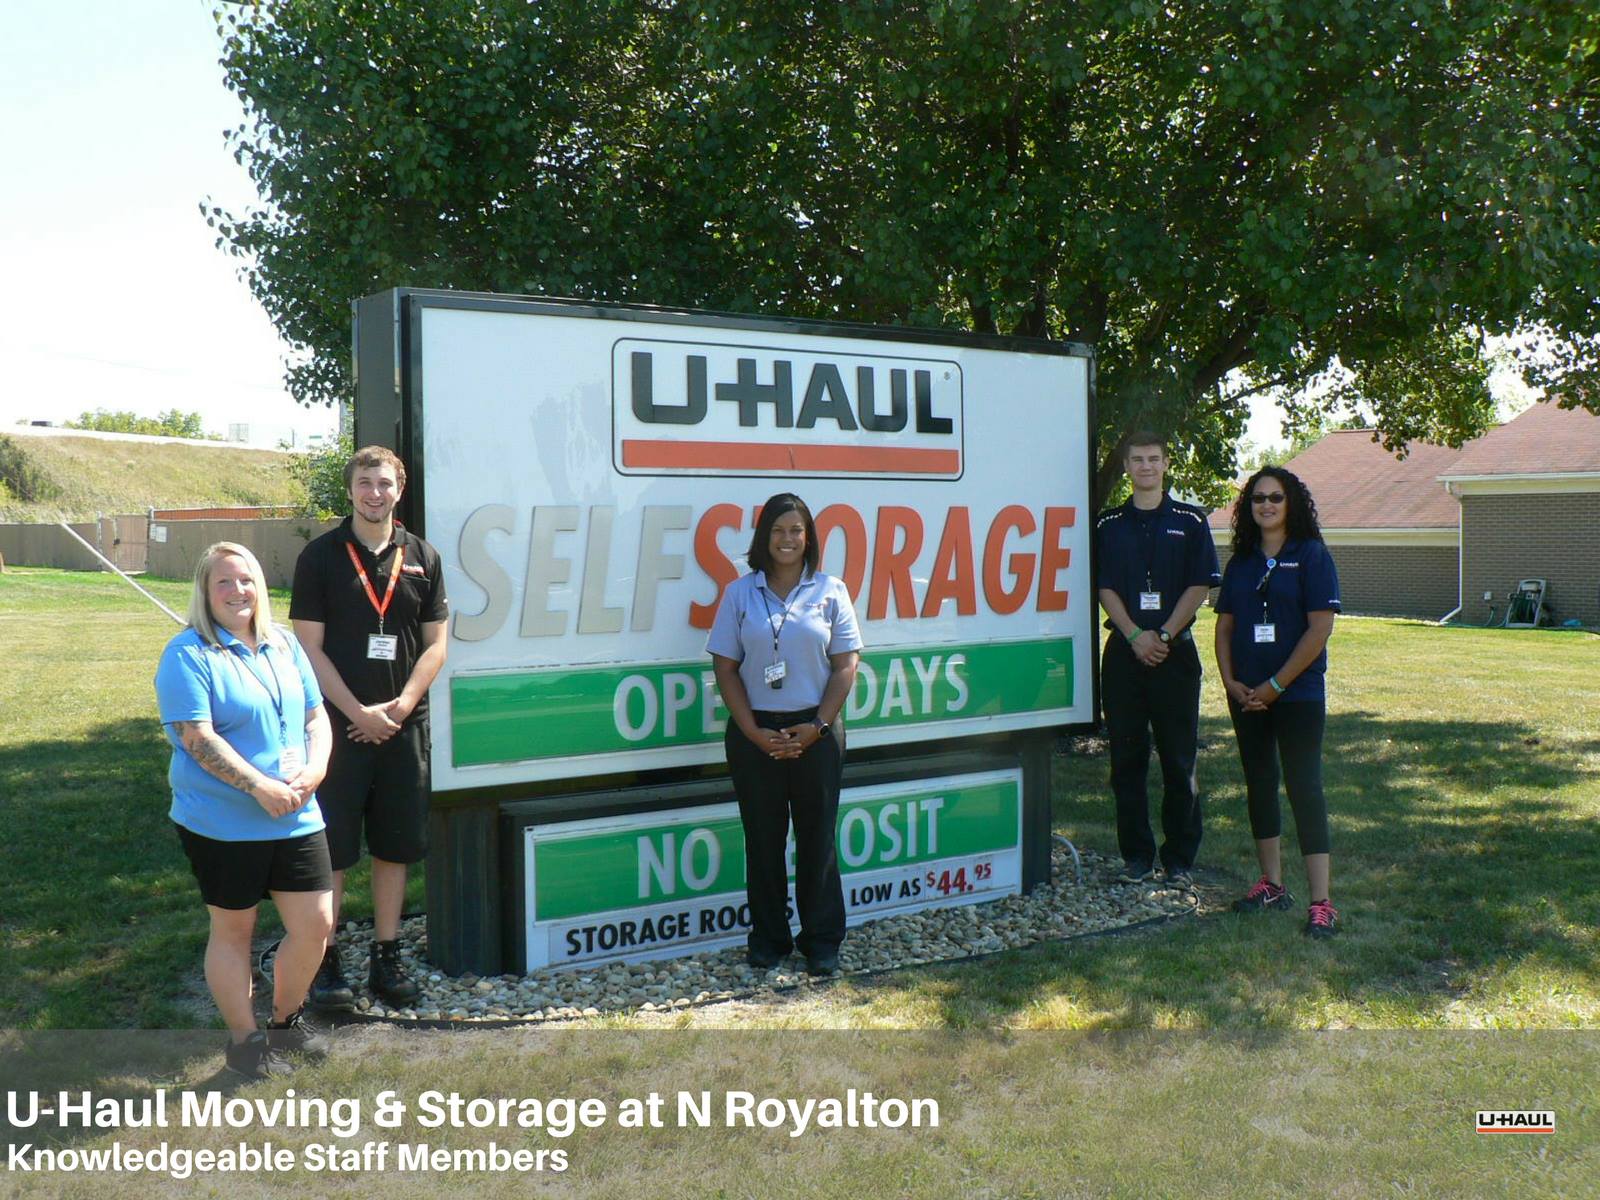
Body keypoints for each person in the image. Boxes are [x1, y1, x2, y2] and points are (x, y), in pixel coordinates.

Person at [154, 542, 334, 1080]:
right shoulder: (188, 654)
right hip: (223, 822)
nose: (238, 591)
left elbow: (315, 716)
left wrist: (316, 769)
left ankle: (285, 1021)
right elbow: (196, 738)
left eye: (246, 579)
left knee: (316, 924)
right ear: (205, 592)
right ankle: (245, 1043)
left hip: (297, 812)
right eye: (224, 583)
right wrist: (258, 786)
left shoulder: (284, 644)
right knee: (234, 930)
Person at [290, 446, 448, 1009]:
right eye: (364, 483)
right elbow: (308, 647)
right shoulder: (320, 557)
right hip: (337, 726)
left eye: (384, 483)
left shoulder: (423, 556)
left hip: (403, 725)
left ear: (399, 490)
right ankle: (325, 960)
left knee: (394, 845)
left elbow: (436, 645)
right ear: (351, 489)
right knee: (332, 848)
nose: (374, 493)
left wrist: (400, 707)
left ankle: (387, 954)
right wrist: (358, 713)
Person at [707, 493, 862, 976]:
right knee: (763, 840)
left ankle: (822, 942)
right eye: (778, 530)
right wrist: (753, 732)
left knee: (818, 838)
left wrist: (817, 727)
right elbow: (725, 667)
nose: (787, 539)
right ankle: (769, 940)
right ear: (764, 537)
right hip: (756, 733)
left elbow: (845, 666)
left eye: (796, 530)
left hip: (816, 729)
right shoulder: (740, 594)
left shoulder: (831, 590)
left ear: (809, 538)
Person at [1214, 466, 1341, 938]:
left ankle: (1321, 902)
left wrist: (1276, 685)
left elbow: (1320, 628)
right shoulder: (1242, 562)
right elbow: (1224, 626)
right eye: (1258, 498)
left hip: (1297, 694)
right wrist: (1231, 682)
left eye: (1275, 498)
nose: (1266, 505)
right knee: (1260, 782)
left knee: (1304, 787)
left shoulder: (1311, 555)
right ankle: (1271, 885)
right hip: (1247, 696)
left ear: (1292, 504)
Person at [1094, 432, 1221, 886]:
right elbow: (1104, 585)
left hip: (1175, 652)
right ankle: (1137, 857)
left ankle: (1180, 858)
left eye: (1153, 458)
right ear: (1127, 466)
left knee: (1178, 760)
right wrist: (1134, 635)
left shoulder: (1190, 520)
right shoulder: (1109, 524)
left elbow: (1200, 585)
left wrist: (1163, 634)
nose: (1146, 466)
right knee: (1126, 760)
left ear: (1166, 464)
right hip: (1125, 653)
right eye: (1137, 459)